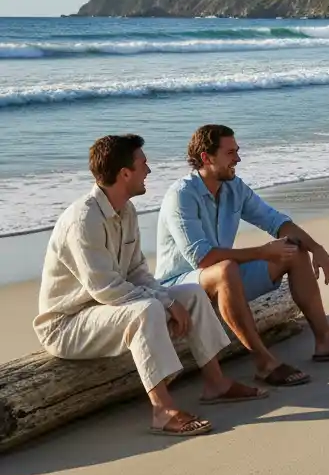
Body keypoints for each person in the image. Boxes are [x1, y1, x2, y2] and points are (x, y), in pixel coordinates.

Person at [35, 135, 265, 438]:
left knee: (193, 294)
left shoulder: (126, 211)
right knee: (146, 310)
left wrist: (169, 299)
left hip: (107, 310)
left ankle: (217, 384)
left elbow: (137, 272)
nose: (149, 170)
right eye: (143, 163)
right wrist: (165, 304)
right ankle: (162, 410)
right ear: (124, 173)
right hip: (68, 323)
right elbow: (105, 288)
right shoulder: (84, 219)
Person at [156, 124, 329, 388]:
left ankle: (326, 341)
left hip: (224, 274)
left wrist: (316, 248)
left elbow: (276, 221)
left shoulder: (234, 188)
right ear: (206, 157)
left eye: (237, 151)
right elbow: (202, 259)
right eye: (230, 153)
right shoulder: (181, 195)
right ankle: (264, 362)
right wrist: (262, 251)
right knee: (225, 269)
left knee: (292, 249)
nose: (238, 159)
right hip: (180, 286)